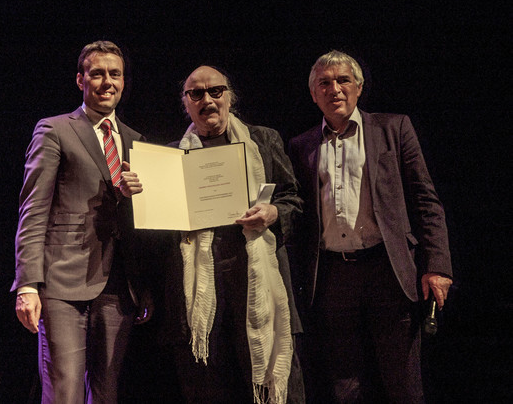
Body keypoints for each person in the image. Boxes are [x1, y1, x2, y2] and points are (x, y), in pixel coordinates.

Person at [288, 50, 453, 403]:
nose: (335, 89)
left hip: (388, 271)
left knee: (403, 383)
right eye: (325, 83)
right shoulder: (301, 146)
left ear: (359, 87)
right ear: (314, 95)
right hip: (332, 277)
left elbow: (426, 200)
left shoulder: (393, 128)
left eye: (343, 80)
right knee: (344, 384)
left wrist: (437, 265)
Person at [12, 40, 153, 403]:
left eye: (115, 74)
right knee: (65, 391)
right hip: (61, 281)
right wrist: (28, 283)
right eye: (98, 73)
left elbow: (147, 223)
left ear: (124, 81)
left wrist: (137, 198)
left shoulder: (138, 142)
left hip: (118, 285)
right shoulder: (55, 130)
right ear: (80, 80)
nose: (107, 81)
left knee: (106, 393)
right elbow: (33, 209)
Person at [160, 66, 305, 404]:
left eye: (215, 91)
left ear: (229, 96)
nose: (207, 100)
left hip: (255, 276)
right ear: (186, 103)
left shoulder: (264, 140)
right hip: (199, 286)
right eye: (196, 93)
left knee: (272, 389)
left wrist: (273, 213)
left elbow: (293, 199)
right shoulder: (170, 157)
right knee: (206, 386)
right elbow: (157, 229)